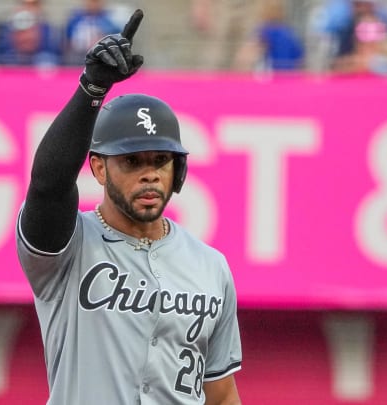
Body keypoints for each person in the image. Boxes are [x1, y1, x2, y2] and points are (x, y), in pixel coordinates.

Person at [15, 9, 243, 405]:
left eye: (160, 160)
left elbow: (221, 394)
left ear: (179, 168)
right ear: (99, 168)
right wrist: (91, 90)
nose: (150, 173)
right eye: (132, 161)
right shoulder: (67, 248)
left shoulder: (211, 266)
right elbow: (48, 185)